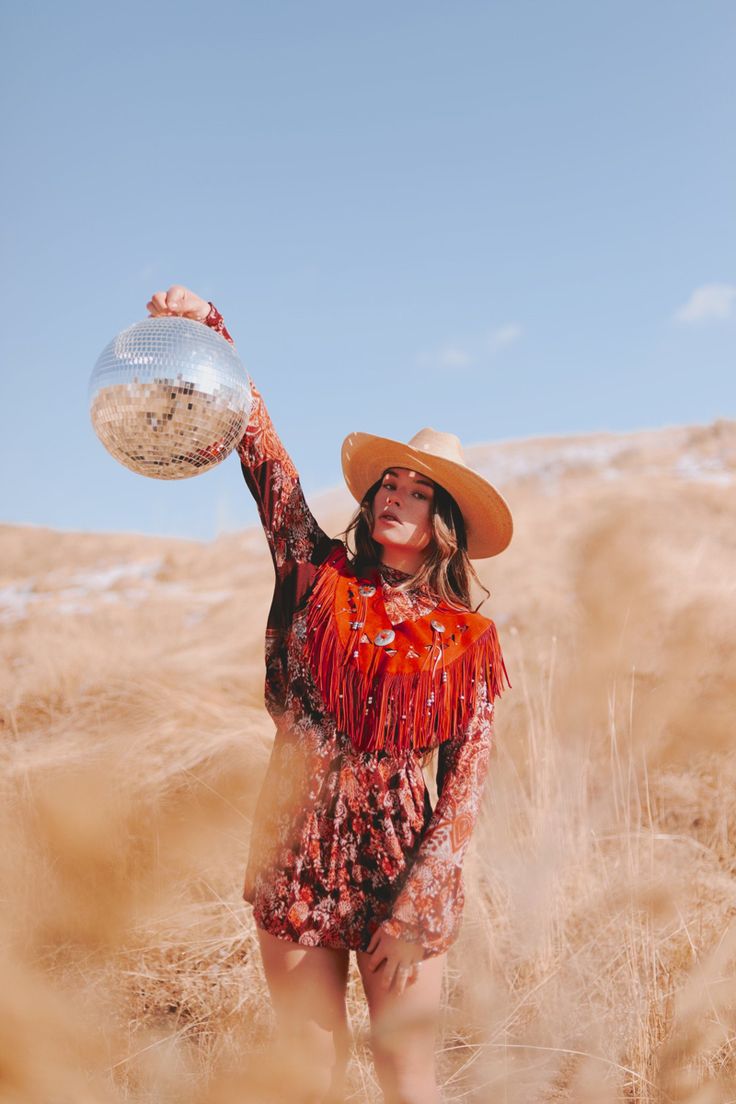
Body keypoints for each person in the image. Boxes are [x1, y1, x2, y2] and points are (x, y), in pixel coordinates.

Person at [146, 285, 513, 1104]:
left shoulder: (468, 642)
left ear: (443, 519)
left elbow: (465, 784)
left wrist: (419, 905)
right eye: (390, 483)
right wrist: (208, 331)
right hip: (294, 844)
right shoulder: (315, 573)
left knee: (405, 1074)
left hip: (400, 864)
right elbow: (265, 460)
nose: (396, 497)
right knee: (307, 1073)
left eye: (419, 491)